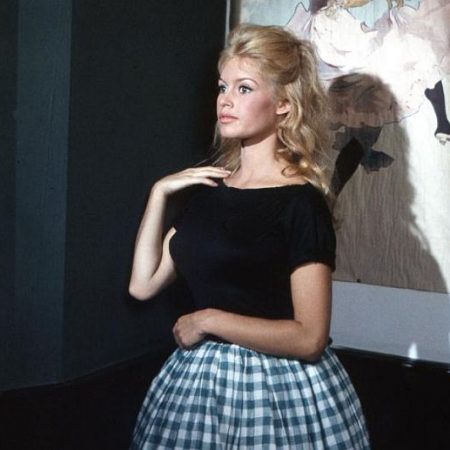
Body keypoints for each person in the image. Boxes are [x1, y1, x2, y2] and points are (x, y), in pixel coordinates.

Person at [129, 24, 370, 449]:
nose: (225, 100)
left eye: (244, 88)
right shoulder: (207, 192)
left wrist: (208, 320)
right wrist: (159, 193)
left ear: (283, 104)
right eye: (223, 87)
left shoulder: (300, 203)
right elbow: (143, 285)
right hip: (198, 389)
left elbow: (310, 338)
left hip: (279, 391)